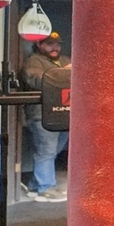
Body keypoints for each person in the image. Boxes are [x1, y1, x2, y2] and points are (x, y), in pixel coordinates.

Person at [20, 33, 71, 202]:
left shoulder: (64, 60)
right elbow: (37, 81)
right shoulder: (34, 61)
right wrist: (65, 73)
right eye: (49, 44)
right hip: (41, 114)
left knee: (53, 151)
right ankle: (46, 188)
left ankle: (35, 185)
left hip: (64, 113)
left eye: (57, 44)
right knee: (46, 151)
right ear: (39, 45)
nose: (54, 48)